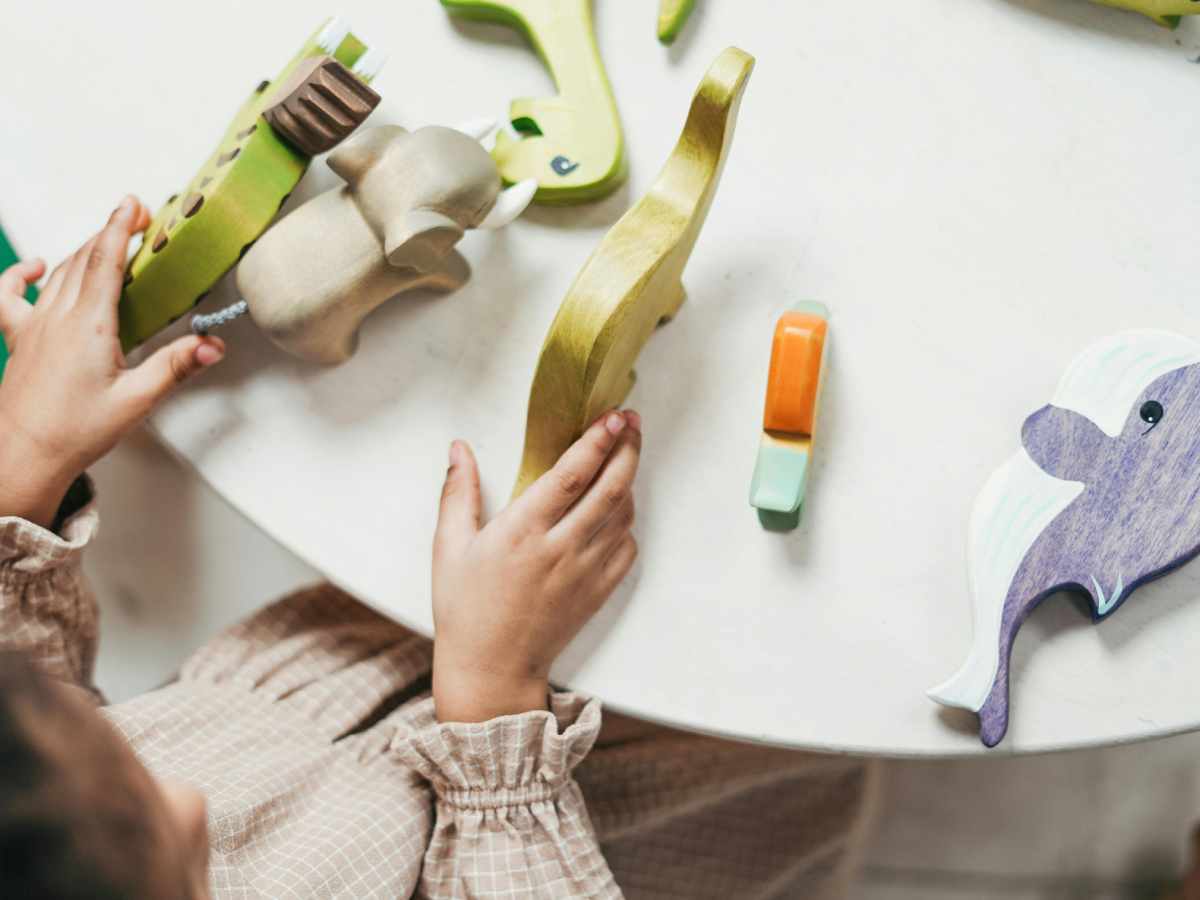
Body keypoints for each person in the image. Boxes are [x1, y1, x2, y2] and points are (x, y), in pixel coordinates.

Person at [0, 197, 878, 899]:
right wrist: (492, 704)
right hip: (589, 810)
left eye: (122, 758)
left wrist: (24, 467)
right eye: (159, 841)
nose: (190, 801)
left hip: (386, 646)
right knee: (805, 703)